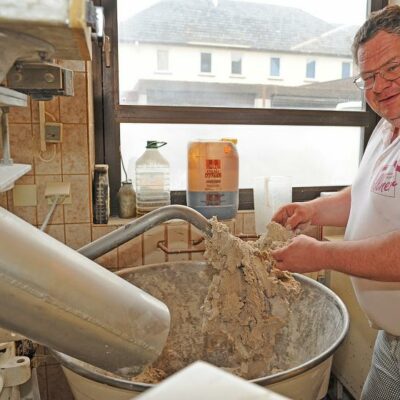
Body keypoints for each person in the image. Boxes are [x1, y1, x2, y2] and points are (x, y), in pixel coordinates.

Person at [270, 5, 400, 400]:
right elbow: (368, 193)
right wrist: (314, 209)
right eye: (369, 77)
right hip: (393, 339)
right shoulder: (386, 127)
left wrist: (323, 254)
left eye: (393, 68)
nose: (379, 87)